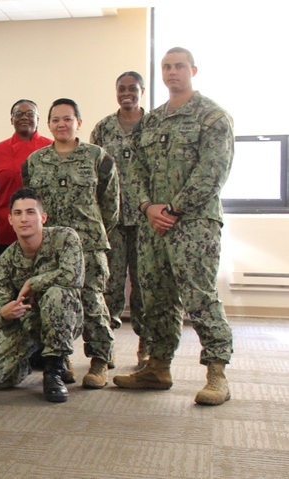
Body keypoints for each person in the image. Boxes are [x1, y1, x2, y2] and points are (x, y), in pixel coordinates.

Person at [113, 47, 235, 406]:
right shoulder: (151, 122)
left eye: (179, 66)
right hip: (154, 224)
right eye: (166, 67)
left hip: (195, 223)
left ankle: (217, 374)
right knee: (155, 298)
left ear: (193, 70)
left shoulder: (212, 117)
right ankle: (158, 366)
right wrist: (148, 206)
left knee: (199, 297)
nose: (172, 72)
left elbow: (214, 171)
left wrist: (176, 208)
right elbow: (133, 171)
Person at [22, 98, 119, 389]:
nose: (61, 124)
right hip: (51, 246)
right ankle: (61, 360)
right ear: (48, 124)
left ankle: (100, 361)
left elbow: (111, 206)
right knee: (55, 303)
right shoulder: (35, 161)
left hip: (88, 243)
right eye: (55, 120)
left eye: (67, 119)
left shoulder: (97, 157)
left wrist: (94, 231)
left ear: (78, 122)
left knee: (92, 303)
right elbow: (31, 204)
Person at [0, 188, 84, 403]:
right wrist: (5, 312)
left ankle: (54, 370)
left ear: (43, 217)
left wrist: (34, 283)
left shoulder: (65, 237)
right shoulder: (4, 262)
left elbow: (73, 276)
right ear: (10, 219)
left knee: (55, 293)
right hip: (27, 326)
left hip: (66, 318)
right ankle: (34, 356)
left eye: (31, 212)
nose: (24, 219)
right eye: (18, 213)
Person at [89, 71, 147, 367]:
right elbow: (93, 175)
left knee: (144, 286)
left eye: (132, 89)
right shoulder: (103, 129)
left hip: (146, 221)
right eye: (121, 89)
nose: (127, 93)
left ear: (142, 91)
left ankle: (146, 348)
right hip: (111, 222)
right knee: (109, 287)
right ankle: (105, 346)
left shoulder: (153, 126)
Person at [0, 100, 53, 261]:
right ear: (11, 120)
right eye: (18, 114)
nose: (24, 117)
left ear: (38, 119)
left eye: (30, 113)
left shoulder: (51, 149)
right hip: (6, 235)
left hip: (46, 235)